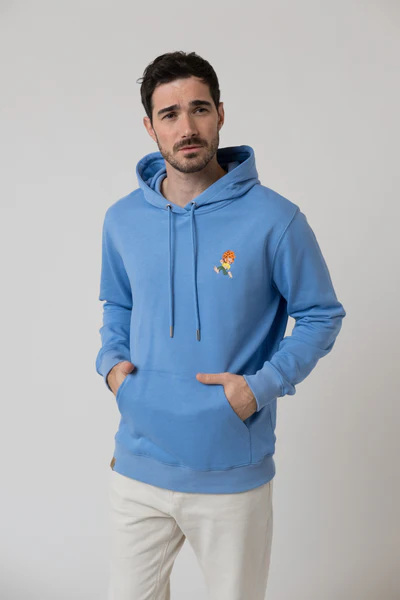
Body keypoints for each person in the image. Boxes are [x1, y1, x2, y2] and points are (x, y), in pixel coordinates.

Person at [95, 50, 346, 600]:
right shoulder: (122, 219)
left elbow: (321, 314)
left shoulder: (276, 219)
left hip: (232, 472)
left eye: (199, 109)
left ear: (221, 114)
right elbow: (117, 303)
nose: (186, 127)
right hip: (137, 464)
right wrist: (112, 367)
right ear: (150, 127)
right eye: (169, 114)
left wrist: (261, 386)